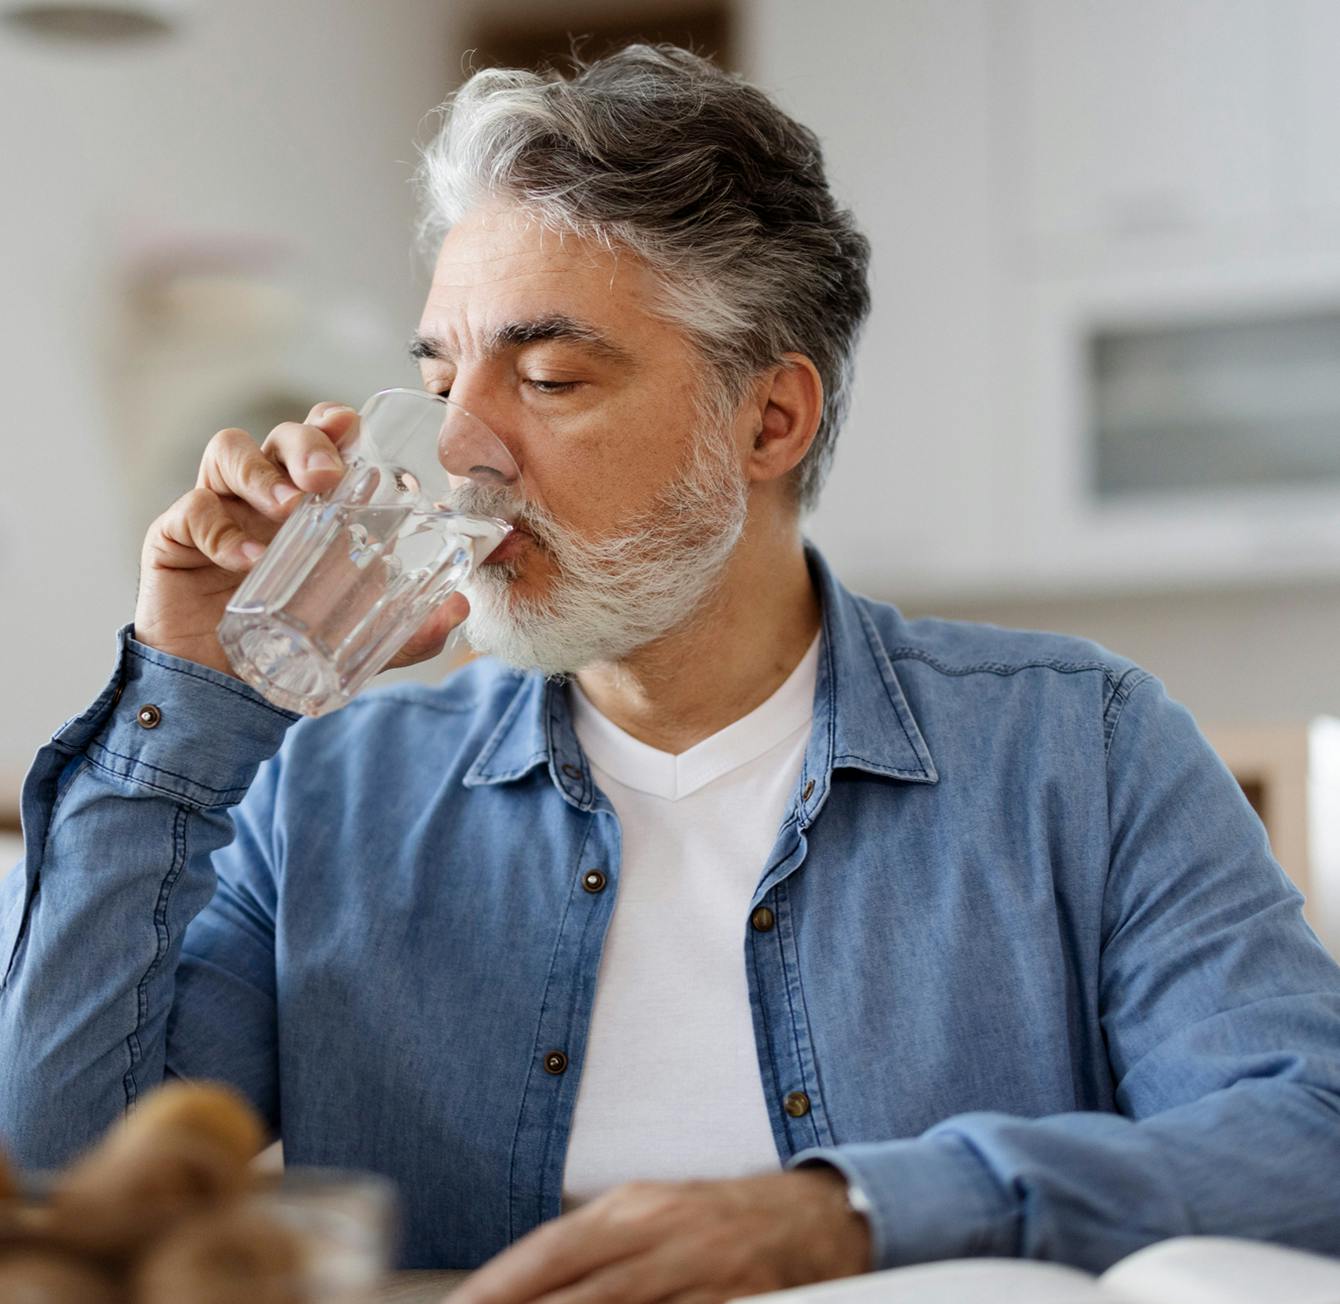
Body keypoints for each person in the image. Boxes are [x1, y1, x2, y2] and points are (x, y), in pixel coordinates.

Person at [3, 43, 1339, 1302]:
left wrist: (848, 1216)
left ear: (769, 419)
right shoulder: (326, 800)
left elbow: (1308, 1136)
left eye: (550, 377)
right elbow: (51, 1184)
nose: (460, 448)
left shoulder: (1079, 749)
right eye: (441, 375)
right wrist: (185, 692)